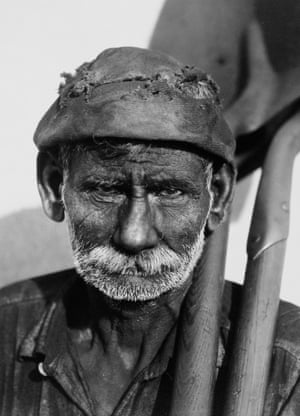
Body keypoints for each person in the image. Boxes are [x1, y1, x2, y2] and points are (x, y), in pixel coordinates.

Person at [1, 47, 300, 416]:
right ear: (53, 187)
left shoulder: (289, 366)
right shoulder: (4, 331)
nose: (135, 235)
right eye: (106, 190)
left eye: (169, 191)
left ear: (218, 196)